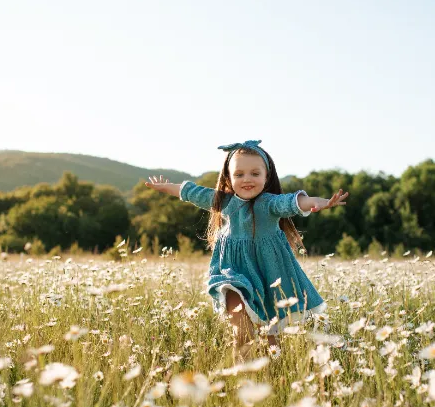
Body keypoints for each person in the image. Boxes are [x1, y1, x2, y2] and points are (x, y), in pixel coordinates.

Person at [145, 140, 348, 359]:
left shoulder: (269, 203)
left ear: (266, 176)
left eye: (254, 173)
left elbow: (295, 201)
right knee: (241, 330)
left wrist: (324, 202)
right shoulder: (223, 201)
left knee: (270, 336)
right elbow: (193, 192)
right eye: (239, 174)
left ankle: (271, 377)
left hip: (268, 274)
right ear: (229, 178)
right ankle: (241, 377)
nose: (247, 179)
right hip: (231, 273)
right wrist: (165, 187)